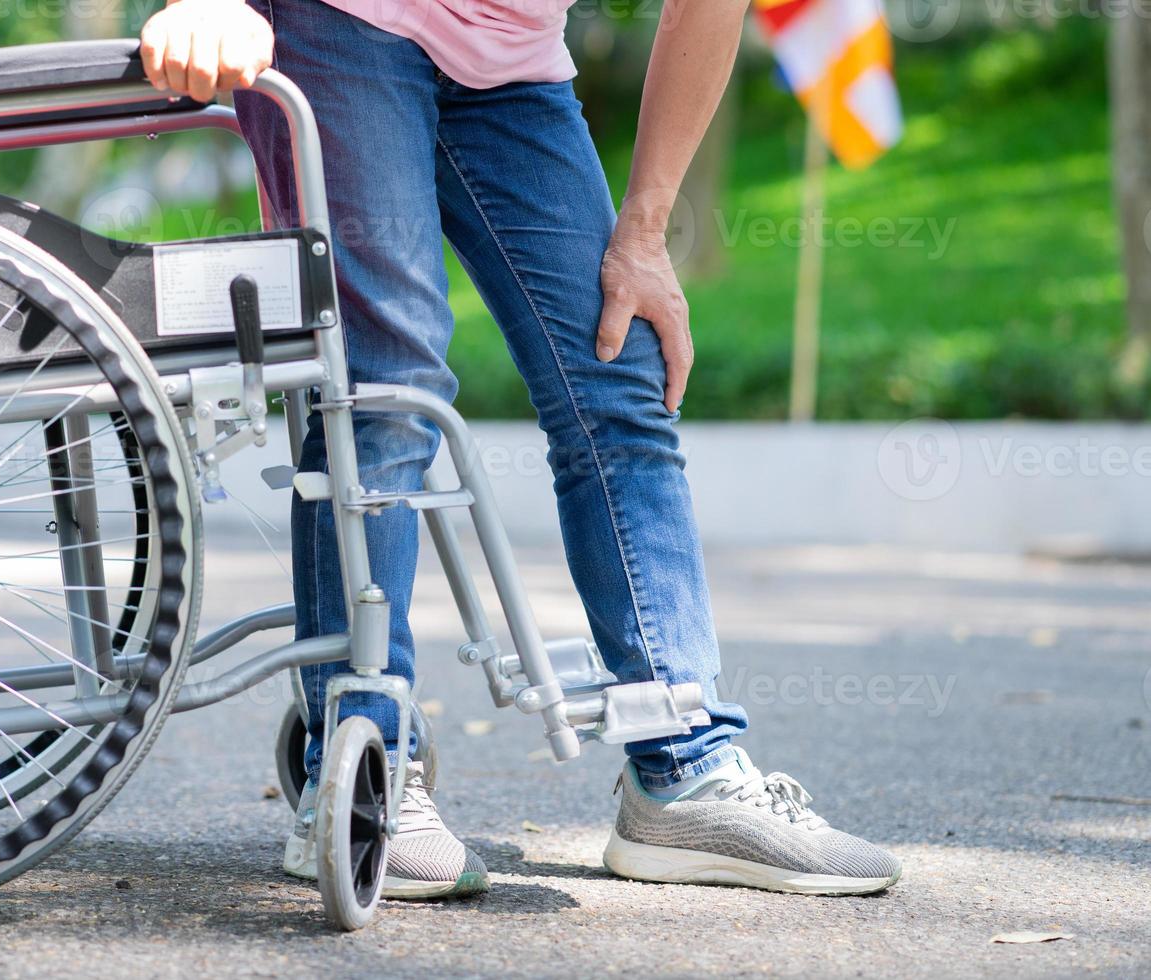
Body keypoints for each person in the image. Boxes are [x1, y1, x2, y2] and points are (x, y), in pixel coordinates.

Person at [138, 0, 901, 897]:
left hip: (513, 56)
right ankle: (364, 747)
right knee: (385, 380)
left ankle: (682, 766)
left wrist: (645, 234)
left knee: (618, 367)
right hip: (341, 23)